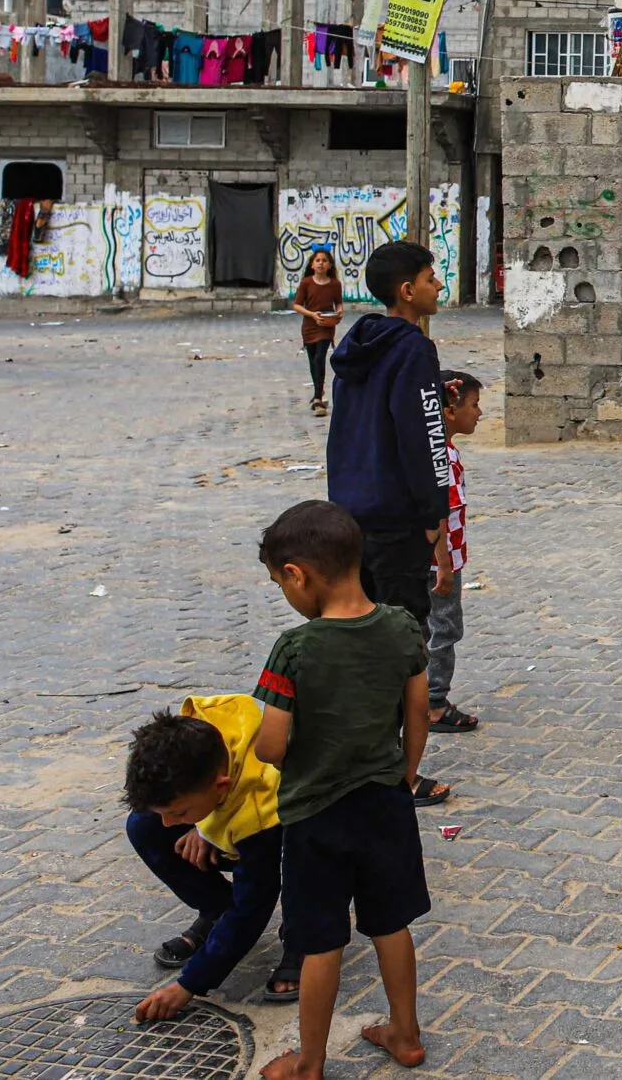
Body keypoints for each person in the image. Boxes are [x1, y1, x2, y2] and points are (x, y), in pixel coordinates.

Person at [251, 500, 433, 1080]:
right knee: (390, 922)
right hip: (386, 803)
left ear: (297, 574)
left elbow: (272, 747)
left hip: (315, 815)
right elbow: (420, 714)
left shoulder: (295, 650)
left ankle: (309, 1063)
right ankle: (405, 1034)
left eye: (282, 582)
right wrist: (404, 777)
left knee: (321, 940)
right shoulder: (402, 627)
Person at [325, 241, 454, 783]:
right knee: (402, 646)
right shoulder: (413, 349)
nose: (439, 285)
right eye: (431, 277)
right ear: (407, 290)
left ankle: (353, 755)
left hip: (351, 513)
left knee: (359, 637)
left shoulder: (359, 347)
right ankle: (397, 771)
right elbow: (423, 437)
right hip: (399, 518)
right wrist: (436, 513)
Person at [121, 698, 299, 1022]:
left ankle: (303, 937)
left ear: (221, 788)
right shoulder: (202, 729)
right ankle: (217, 911)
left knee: (306, 859)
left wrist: (190, 984)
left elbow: (253, 906)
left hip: (295, 821)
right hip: (229, 807)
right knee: (143, 826)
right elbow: (182, 806)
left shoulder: (255, 814)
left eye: (179, 813)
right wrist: (202, 825)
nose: (170, 823)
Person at [425, 371, 482, 734]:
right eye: (474, 406)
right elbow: (440, 512)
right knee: (444, 628)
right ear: (449, 411)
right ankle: (433, 702)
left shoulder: (441, 451)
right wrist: (444, 563)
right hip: (440, 561)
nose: (479, 414)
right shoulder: (439, 456)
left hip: (444, 557)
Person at [293, 248, 344, 417]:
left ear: (329, 265)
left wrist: (339, 312)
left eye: (324, 260)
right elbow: (297, 305)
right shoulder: (306, 283)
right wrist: (312, 315)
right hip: (310, 326)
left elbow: (338, 303)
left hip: (326, 326)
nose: (321, 263)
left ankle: (317, 398)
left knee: (320, 357)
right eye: (317, 260)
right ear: (312, 265)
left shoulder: (335, 284)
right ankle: (318, 392)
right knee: (312, 360)